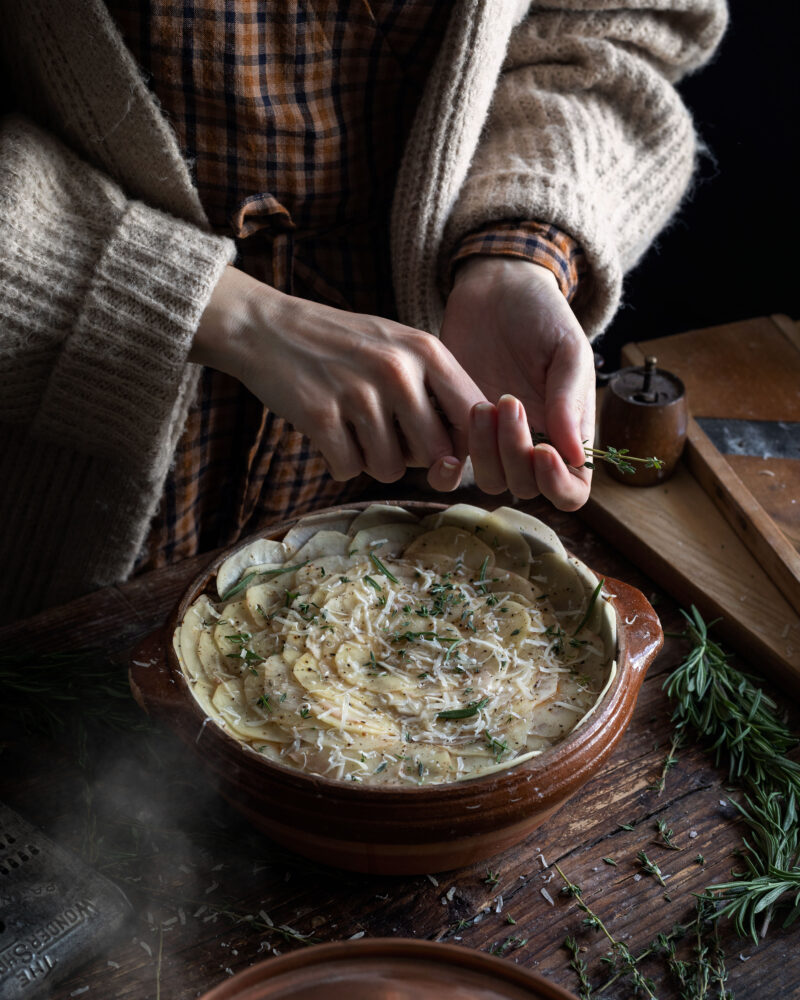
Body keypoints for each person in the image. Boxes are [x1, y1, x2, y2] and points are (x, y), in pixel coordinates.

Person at [0, 0, 727, 623]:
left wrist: (517, 249)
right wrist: (224, 314)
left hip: (415, 492)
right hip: (56, 528)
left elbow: (617, 28)